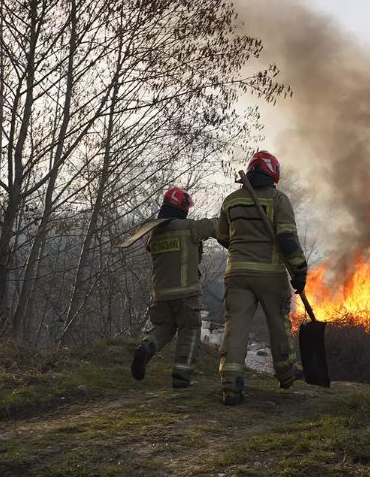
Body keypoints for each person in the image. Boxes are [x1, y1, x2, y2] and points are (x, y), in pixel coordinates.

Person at [216, 151, 307, 405]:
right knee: (278, 323)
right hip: (270, 274)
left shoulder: (230, 201)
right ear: (273, 173)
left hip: (237, 274)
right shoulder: (279, 200)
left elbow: (223, 236)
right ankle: (287, 375)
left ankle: (230, 383)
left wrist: (243, 245)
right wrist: (300, 270)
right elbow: (287, 240)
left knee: (235, 325)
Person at [131, 187, 217, 388]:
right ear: (183, 207)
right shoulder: (188, 227)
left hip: (161, 294)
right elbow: (214, 226)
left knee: (165, 328)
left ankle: (146, 348)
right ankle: (182, 376)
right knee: (190, 329)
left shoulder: (154, 234)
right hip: (185, 292)